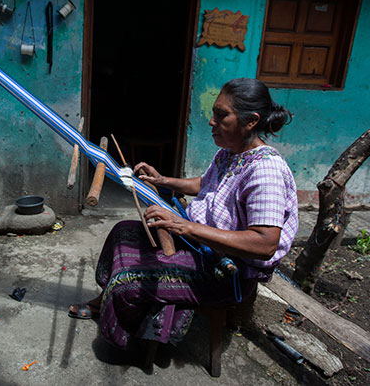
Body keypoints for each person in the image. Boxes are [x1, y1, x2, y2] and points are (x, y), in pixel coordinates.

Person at [69, 78, 298, 349]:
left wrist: (183, 227)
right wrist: (164, 180)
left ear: (251, 121)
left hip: (226, 272)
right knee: (124, 232)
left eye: (221, 115)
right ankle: (106, 299)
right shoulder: (230, 153)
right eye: (214, 113)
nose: (212, 121)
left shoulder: (265, 171)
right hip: (202, 245)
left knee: (129, 282)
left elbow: (265, 244)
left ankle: (130, 332)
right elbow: (205, 184)